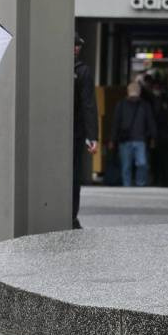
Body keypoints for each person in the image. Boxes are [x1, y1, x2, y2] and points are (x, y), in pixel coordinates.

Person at [72, 34, 99, 229]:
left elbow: (89, 105)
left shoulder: (81, 71)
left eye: (78, 46)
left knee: (73, 175)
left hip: (75, 132)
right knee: (74, 174)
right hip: (75, 132)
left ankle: (71, 215)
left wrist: (92, 136)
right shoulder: (82, 72)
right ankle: (71, 216)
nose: (76, 48)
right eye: (73, 45)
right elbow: (88, 105)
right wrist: (91, 136)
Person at [110, 83, 157, 187]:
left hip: (140, 139)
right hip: (126, 140)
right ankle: (127, 185)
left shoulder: (144, 105)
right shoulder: (121, 105)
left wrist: (153, 136)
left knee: (142, 164)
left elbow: (150, 121)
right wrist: (112, 139)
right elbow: (116, 123)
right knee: (126, 166)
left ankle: (139, 183)